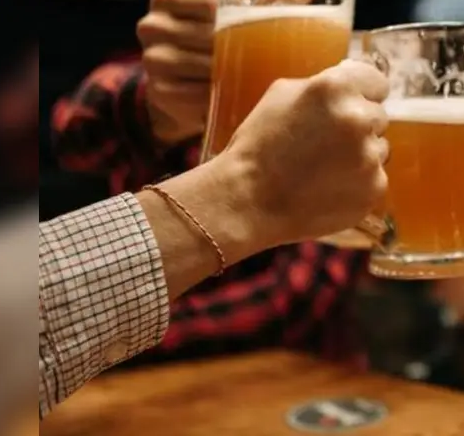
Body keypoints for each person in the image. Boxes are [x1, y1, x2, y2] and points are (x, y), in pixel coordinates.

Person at [48, 0, 363, 364]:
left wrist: (99, 336)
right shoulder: (162, 79)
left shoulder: (356, 107)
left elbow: (296, 299)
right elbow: (75, 130)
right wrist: (159, 109)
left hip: (310, 391)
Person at [39, 60, 390, 419]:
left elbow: (297, 297)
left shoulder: (347, 115)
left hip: (303, 400)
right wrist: (242, 185)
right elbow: (71, 132)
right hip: (140, 406)